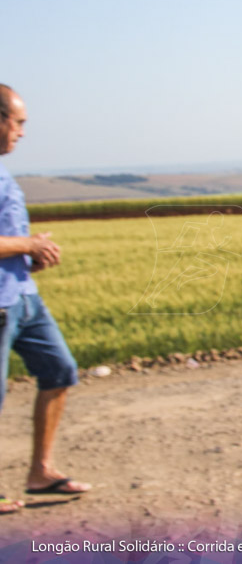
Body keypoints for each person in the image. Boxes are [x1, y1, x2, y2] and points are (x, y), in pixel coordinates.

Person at [0, 84, 91, 515]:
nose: (21, 132)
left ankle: (41, 471)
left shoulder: (4, 171)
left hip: (22, 296)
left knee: (60, 370)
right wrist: (28, 244)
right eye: (18, 122)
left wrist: (30, 257)